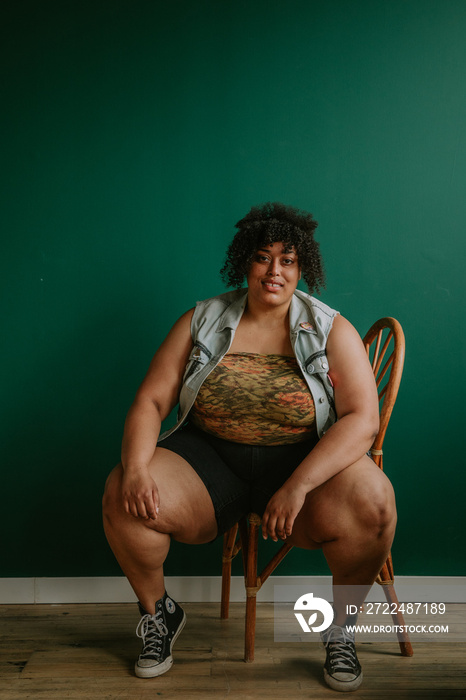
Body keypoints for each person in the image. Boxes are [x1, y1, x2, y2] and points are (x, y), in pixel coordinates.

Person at [102, 202, 397, 692]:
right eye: (263, 258)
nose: (274, 271)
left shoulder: (329, 329)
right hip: (208, 460)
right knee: (121, 494)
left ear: (303, 269)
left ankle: (340, 630)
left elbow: (362, 421)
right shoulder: (202, 320)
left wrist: (299, 485)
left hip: (300, 461)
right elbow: (151, 399)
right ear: (246, 262)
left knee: (376, 501)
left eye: (287, 260)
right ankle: (159, 616)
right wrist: (135, 466)